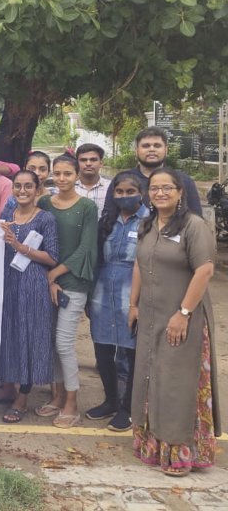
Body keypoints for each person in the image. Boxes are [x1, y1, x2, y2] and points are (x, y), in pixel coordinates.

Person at [131, 168, 221, 476]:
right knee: (150, 377)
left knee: (176, 384)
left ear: (180, 192)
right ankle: (153, 446)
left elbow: (204, 271)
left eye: (167, 188)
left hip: (183, 319)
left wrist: (183, 313)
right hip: (151, 316)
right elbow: (140, 265)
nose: (160, 193)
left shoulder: (195, 226)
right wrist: (133, 304)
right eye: (154, 188)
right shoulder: (148, 225)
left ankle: (183, 453)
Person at [0, 170, 59, 422]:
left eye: (28, 186)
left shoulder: (45, 218)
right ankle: (7, 387)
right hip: (7, 282)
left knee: (28, 337)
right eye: (18, 186)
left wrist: (20, 247)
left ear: (38, 190)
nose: (22, 191)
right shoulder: (7, 215)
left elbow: (52, 257)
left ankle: (23, 398)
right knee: (7, 335)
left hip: (32, 285)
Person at [36, 155, 98, 428]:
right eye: (57, 174)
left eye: (67, 174)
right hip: (46, 281)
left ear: (76, 175)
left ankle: (72, 401)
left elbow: (85, 249)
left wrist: (55, 273)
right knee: (51, 343)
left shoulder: (87, 207)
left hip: (73, 282)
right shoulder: (44, 203)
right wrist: (48, 277)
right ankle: (57, 395)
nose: (62, 179)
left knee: (63, 343)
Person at [86, 171, 147, 432]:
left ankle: (128, 407)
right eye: (119, 192)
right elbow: (97, 258)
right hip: (102, 290)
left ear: (141, 193)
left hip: (132, 293)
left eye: (129, 192)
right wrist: (89, 295)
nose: (124, 196)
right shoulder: (107, 220)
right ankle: (110, 399)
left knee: (132, 351)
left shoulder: (149, 221)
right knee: (102, 347)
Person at [102, 126, 202, 217]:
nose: (151, 149)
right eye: (146, 146)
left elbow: (196, 219)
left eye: (157, 145)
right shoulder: (122, 179)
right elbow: (108, 216)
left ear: (166, 150)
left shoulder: (183, 180)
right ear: (136, 150)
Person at [75, 143, 111, 216]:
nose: (88, 163)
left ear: (101, 163)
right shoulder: (68, 187)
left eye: (93, 160)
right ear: (76, 163)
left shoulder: (111, 187)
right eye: (83, 160)